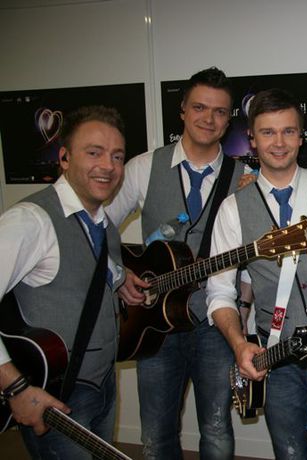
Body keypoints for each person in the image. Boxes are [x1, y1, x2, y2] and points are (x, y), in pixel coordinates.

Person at [206, 88, 307, 460]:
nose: (279, 142)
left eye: (288, 131)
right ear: (252, 139)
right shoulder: (232, 210)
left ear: (301, 136)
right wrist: (239, 344)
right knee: (290, 453)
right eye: (268, 132)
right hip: (278, 356)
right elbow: (220, 292)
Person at [106, 67, 245, 460]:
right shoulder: (143, 167)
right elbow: (98, 225)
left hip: (216, 323)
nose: (209, 118)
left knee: (217, 430)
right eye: (199, 107)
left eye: (220, 111)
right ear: (182, 109)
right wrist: (118, 274)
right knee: (156, 433)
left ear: (229, 119)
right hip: (154, 325)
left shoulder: (244, 177)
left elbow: (251, 259)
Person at [0, 106, 127, 459]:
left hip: (103, 384)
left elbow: (90, 270)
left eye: (117, 156)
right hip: (55, 395)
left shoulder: (102, 223)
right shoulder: (30, 220)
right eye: (94, 152)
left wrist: (122, 279)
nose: (108, 166)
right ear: (65, 158)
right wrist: (16, 388)